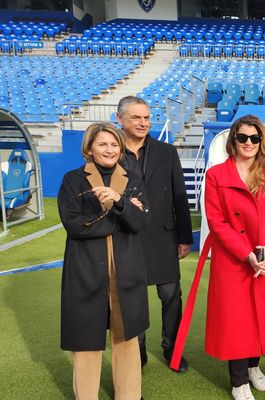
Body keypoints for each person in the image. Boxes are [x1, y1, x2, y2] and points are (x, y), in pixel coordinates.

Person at [173, 115, 265, 400]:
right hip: (233, 259)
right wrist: (246, 253)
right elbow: (217, 222)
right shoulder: (216, 175)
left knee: (260, 317)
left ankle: (254, 366)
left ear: (261, 141)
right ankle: (238, 381)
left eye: (254, 138)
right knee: (237, 322)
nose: (248, 143)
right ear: (233, 140)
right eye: (242, 137)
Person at [57, 122, 149, 400]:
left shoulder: (132, 178)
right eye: (102, 144)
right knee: (85, 340)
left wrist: (120, 201)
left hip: (126, 271)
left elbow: (141, 223)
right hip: (85, 270)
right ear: (89, 148)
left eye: (114, 144)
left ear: (121, 148)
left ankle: (129, 395)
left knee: (126, 339)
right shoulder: (72, 180)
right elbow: (76, 226)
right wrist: (121, 217)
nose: (109, 150)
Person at [117, 96, 193, 373]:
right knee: (132, 299)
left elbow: (179, 196)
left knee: (172, 296)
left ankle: (172, 348)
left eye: (147, 117)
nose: (143, 122)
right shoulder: (111, 152)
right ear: (120, 119)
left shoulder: (167, 151)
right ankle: (137, 351)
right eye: (136, 117)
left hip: (164, 238)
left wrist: (185, 237)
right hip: (127, 237)